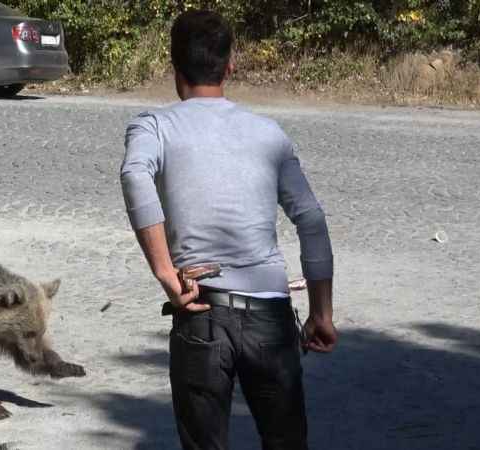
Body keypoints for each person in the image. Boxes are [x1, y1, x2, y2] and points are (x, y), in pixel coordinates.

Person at [119, 10, 337, 450]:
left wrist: (165, 271)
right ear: (230, 66)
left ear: (173, 67)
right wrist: (321, 313)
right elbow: (311, 220)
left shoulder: (154, 126)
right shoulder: (268, 133)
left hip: (201, 311)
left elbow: (134, 173)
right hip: (270, 320)